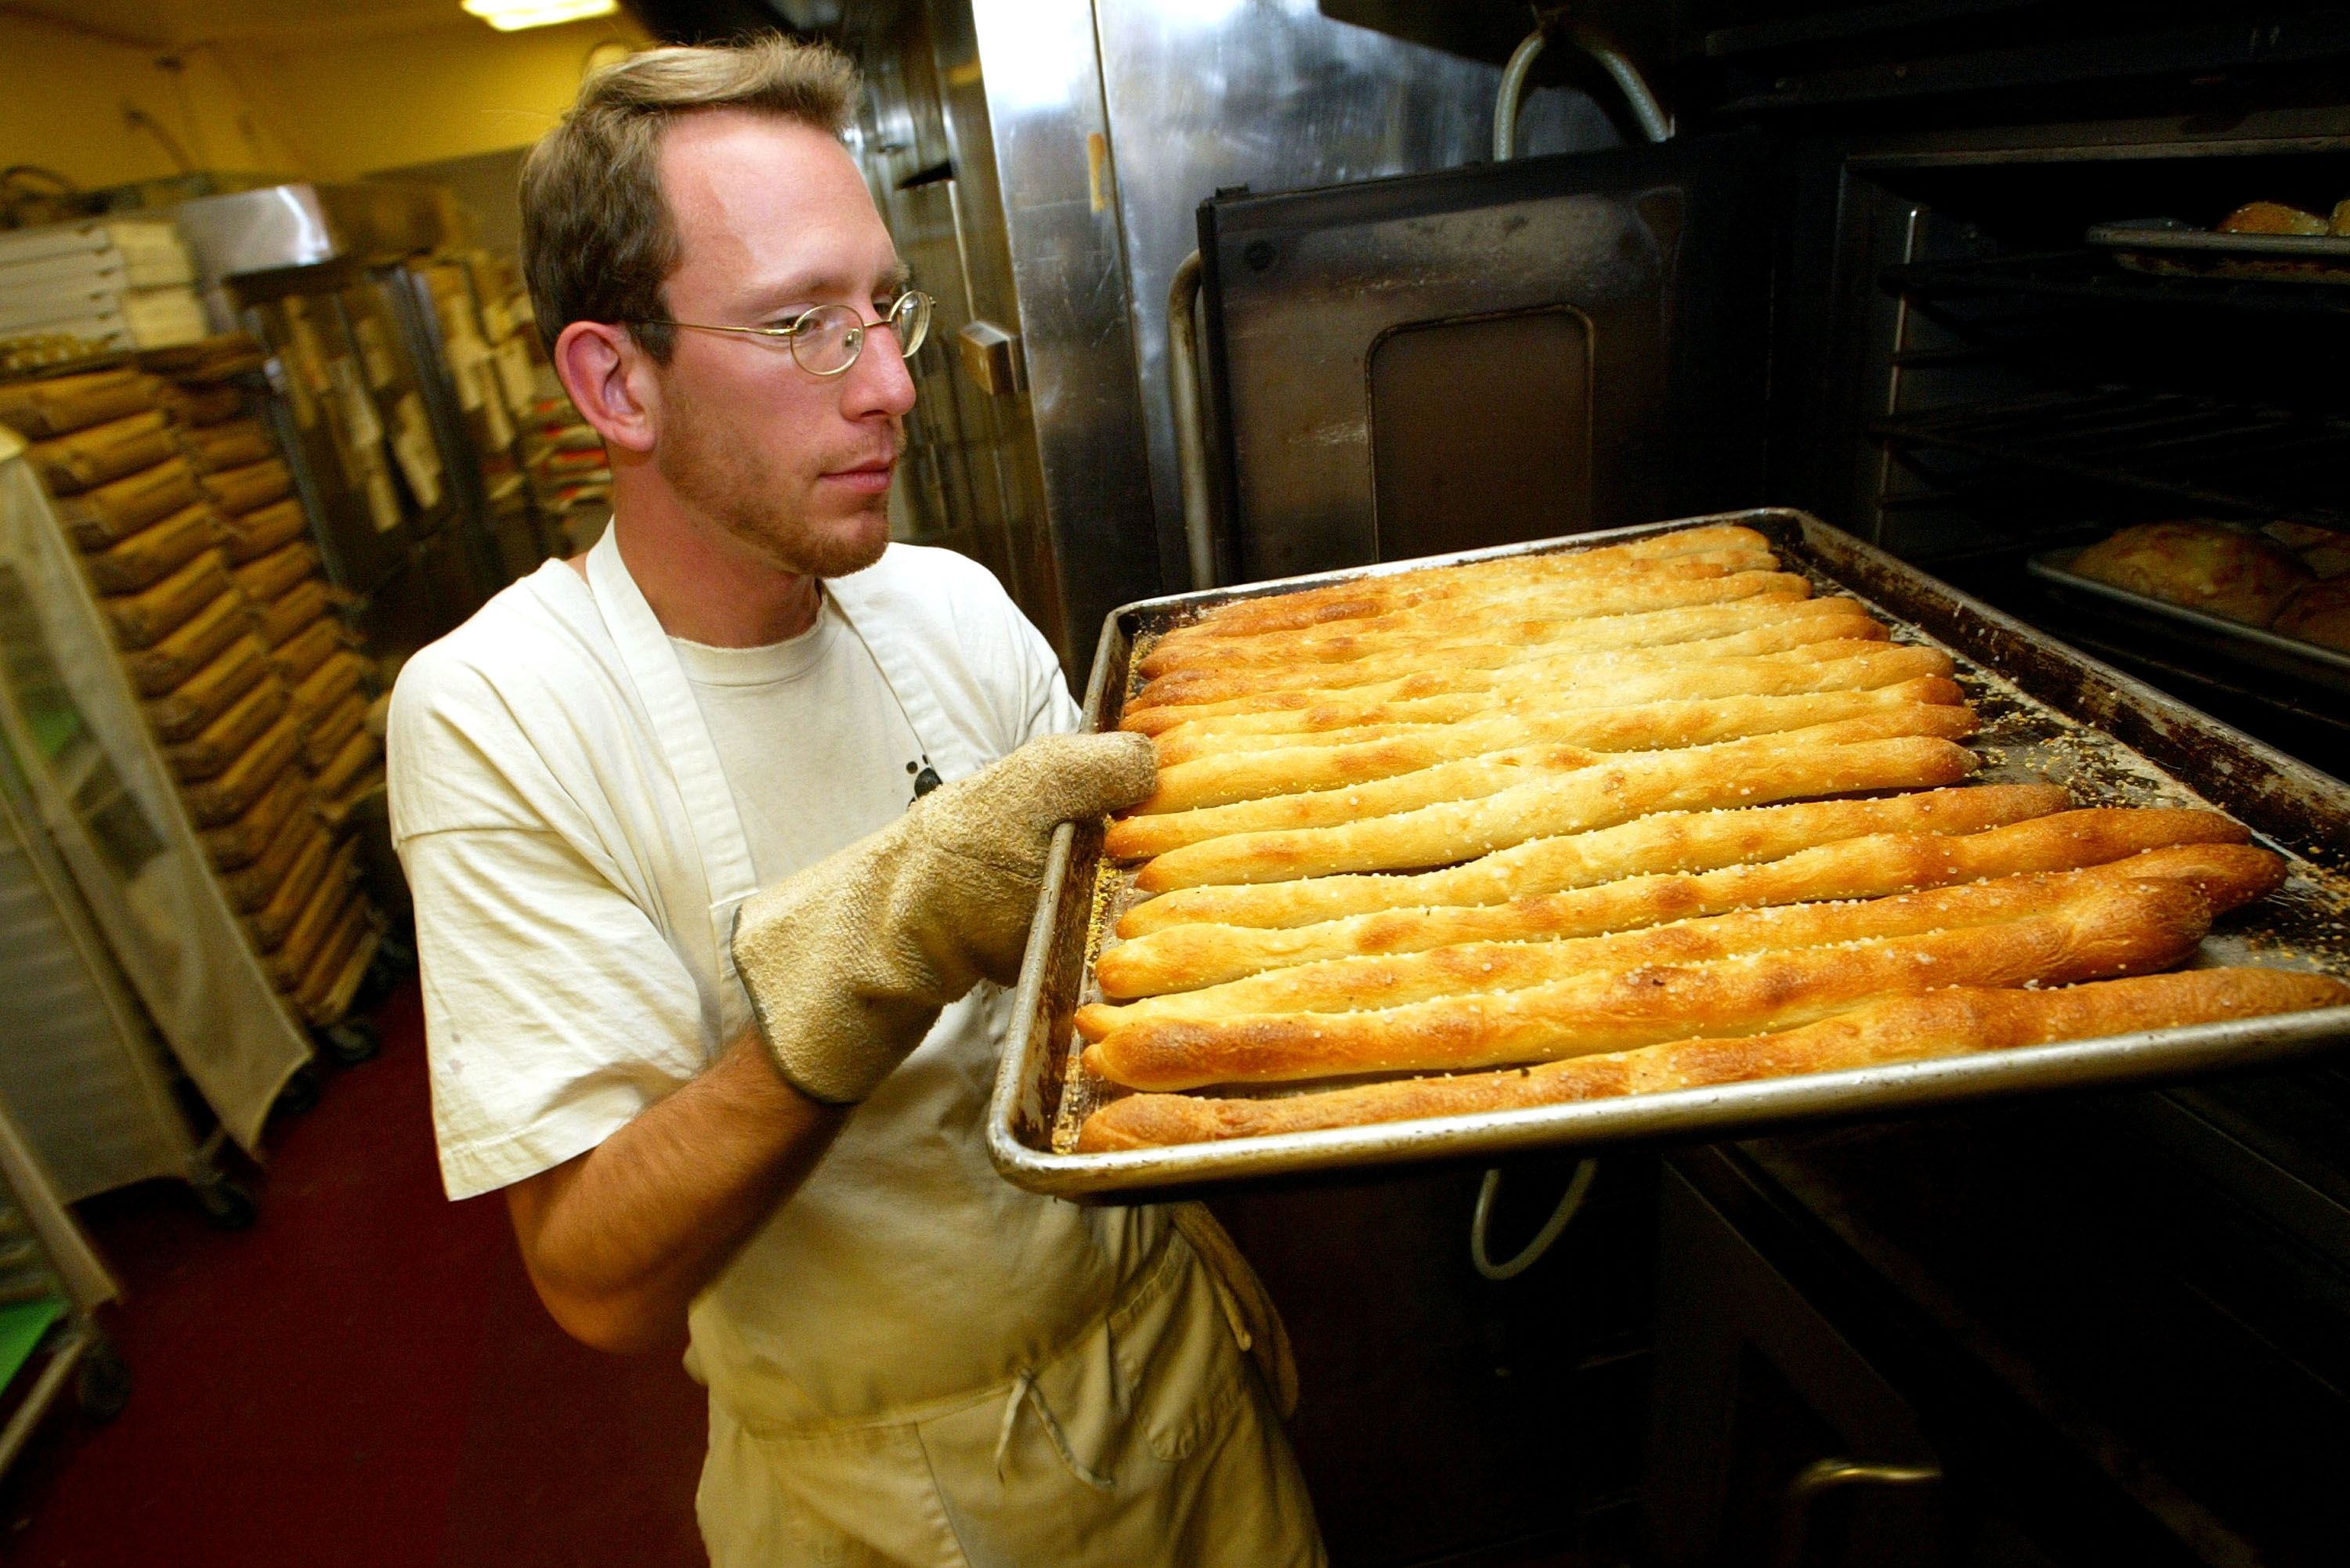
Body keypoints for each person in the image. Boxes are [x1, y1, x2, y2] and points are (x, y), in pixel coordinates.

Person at [386, 37, 1323, 1567]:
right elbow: (598, 1277)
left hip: (1172, 1371)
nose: (892, 384)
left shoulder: (944, 603)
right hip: (889, 1492)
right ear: (615, 378)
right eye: (802, 326)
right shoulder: (504, 713)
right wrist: (886, 946)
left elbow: (1135, 976)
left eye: (883, 307)